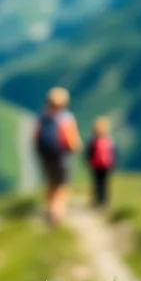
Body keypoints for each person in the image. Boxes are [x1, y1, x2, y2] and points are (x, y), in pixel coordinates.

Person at [34, 87, 81, 226]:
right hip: (62, 157)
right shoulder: (66, 118)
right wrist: (75, 148)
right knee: (62, 185)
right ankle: (57, 214)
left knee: (50, 182)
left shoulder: (42, 116)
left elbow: (35, 137)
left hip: (46, 156)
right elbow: (72, 141)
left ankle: (49, 208)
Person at [85, 117, 117, 207]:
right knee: (101, 183)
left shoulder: (94, 140)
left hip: (101, 165)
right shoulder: (108, 140)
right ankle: (100, 200)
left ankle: (101, 201)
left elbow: (88, 153)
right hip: (101, 165)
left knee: (101, 183)